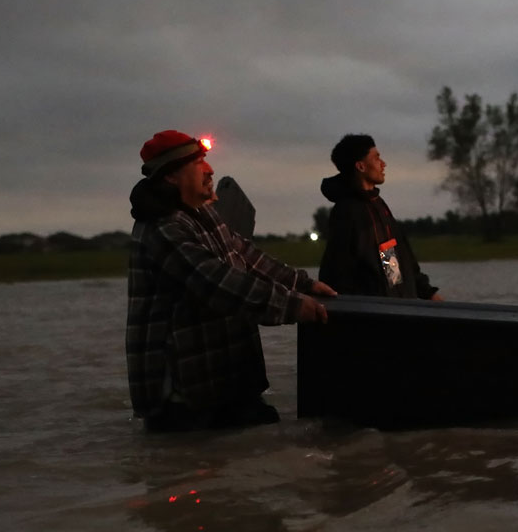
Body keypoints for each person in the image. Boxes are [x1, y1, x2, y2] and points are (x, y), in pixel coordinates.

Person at [126, 130, 335, 431]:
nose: (210, 170)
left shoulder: (202, 214)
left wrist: (303, 284)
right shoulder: (162, 228)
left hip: (223, 384)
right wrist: (291, 305)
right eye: (198, 163)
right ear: (171, 176)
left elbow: (246, 255)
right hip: (184, 399)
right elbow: (217, 282)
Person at [318, 134, 441, 300]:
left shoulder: (376, 205)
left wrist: (427, 293)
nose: (383, 164)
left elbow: (390, 261)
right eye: (376, 158)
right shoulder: (347, 211)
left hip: (394, 311)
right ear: (361, 166)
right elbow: (336, 273)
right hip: (372, 316)